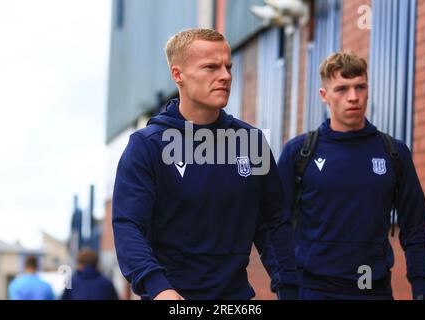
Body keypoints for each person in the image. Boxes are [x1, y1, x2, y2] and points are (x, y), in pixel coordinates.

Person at [112, 28, 298, 300]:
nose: (225, 76)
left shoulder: (251, 143)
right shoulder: (147, 146)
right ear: (178, 75)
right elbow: (128, 226)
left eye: (228, 67)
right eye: (211, 67)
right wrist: (158, 287)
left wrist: (290, 288)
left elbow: (273, 225)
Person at [277, 51, 425, 300]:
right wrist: (286, 288)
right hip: (315, 291)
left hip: (374, 289)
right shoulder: (299, 153)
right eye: (342, 89)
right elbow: (275, 225)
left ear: (368, 89)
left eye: (360, 87)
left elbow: (415, 227)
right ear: (324, 95)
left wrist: (421, 290)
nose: (353, 97)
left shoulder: (393, 153)